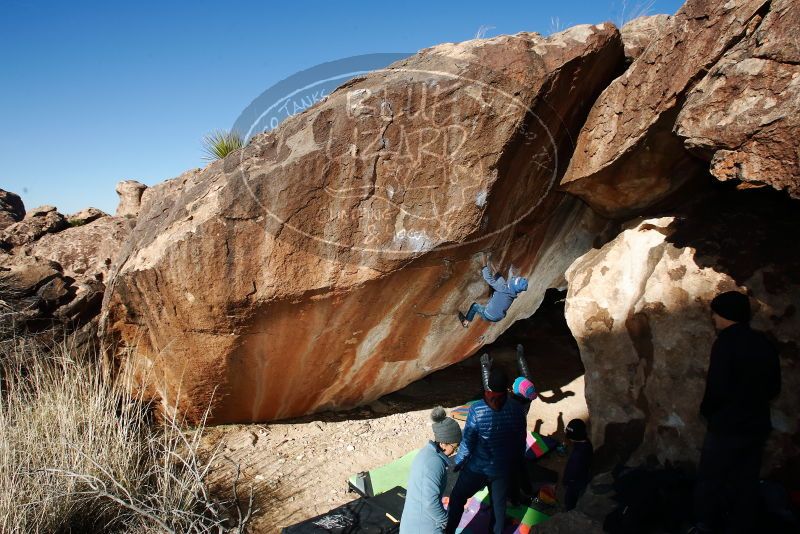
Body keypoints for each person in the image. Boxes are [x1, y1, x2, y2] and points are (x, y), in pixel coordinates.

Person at [691, 291, 781, 534]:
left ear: (724, 315)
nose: (713, 318)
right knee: (746, 482)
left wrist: (707, 411)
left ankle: (704, 524)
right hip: (756, 424)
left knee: (711, 479)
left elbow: (717, 388)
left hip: (727, 425)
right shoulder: (763, 342)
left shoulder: (725, 343)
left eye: (715, 313)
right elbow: (774, 387)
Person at [445, 368, 527, 534]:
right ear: (507, 388)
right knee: (499, 509)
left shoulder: (477, 409)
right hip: (502, 469)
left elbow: (468, 442)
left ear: (488, 388)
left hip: (477, 469)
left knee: (457, 498)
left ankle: (449, 531)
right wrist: (516, 464)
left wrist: (459, 462)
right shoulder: (517, 409)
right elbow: (520, 442)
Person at [400, 406, 463, 534]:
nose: (455, 451)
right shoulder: (434, 463)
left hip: (413, 521)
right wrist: (445, 520)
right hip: (424, 526)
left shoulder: (427, 453)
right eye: (455, 447)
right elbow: (430, 501)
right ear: (443, 443)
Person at [458, 257, 528, 328]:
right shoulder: (512, 292)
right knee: (496, 291)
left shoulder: (503, 288)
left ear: (512, 284)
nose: (513, 278)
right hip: (498, 317)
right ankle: (489, 306)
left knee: (474, 306)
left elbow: (488, 278)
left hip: (488, 315)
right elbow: (499, 278)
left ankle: (465, 322)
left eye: (514, 279)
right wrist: (491, 264)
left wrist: (484, 263)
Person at [562, 418, 593, 511]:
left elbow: (572, 472)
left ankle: (569, 511)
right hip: (584, 475)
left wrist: (566, 481)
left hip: (575, 482)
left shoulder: (577, 456)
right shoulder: (587, 443)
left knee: (570, 499)